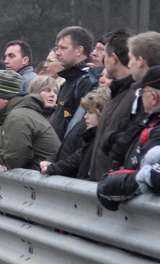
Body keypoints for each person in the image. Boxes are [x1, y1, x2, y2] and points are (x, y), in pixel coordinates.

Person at [97, 66, 160, 210]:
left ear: (153, 97)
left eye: (142, 93)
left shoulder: (155, 130)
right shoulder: (149, 123)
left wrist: (108, 184)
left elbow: (142, 175)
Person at [0, 70, 60, 171]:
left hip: (43, 180)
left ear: (5, 99)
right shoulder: (17, 114)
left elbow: (14, 160)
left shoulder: (17, 117)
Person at [89, 30, 135, 181]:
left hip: (116, 186)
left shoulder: (136, 95)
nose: (103, 63)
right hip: (101, 185)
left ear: (113, 58)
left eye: (105, 57)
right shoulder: (115, 93)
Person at [40, 88, 109, 179]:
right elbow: (74, 156)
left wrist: (50, 168)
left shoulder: (100, 139)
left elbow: (75, 161)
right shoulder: (92, 136)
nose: (85, 117)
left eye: (90, 112)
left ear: (102, 114)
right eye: (86, 112)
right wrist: (49, 162)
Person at [50, 26, 95, 140]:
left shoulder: (87, 82)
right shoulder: (70, 80)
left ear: (79, 50)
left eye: (63, 48)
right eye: (57, 48)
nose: (58, 53)